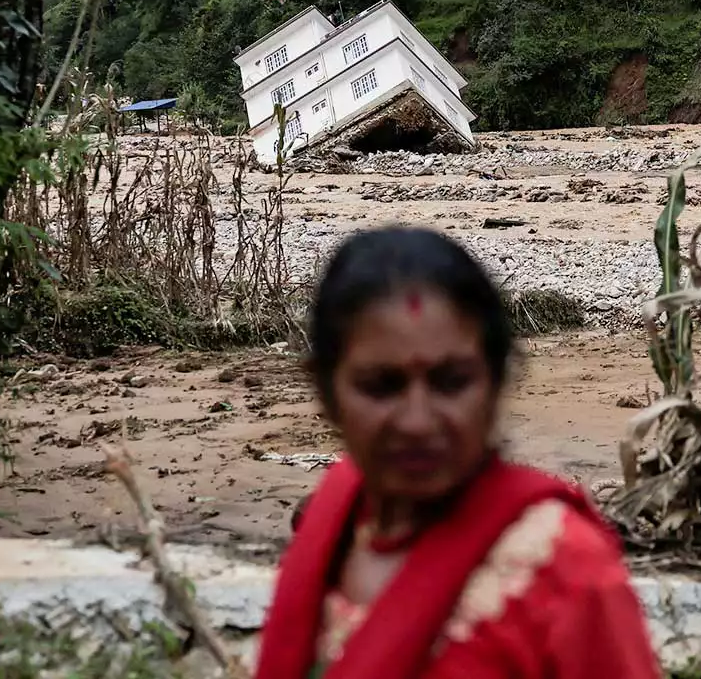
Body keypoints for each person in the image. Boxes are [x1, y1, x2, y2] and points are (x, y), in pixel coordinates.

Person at [254, 227, 664, 679]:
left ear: (496, 383)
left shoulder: (565, 570)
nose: (417, 422)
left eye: (452, 383)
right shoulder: (337, 515)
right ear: (326, 392)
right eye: (381, 386)